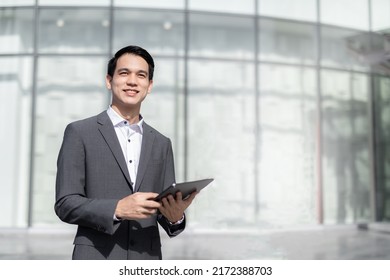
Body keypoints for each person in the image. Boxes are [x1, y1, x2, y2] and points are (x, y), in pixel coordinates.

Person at [55, 45, 196, 260]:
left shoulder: (161, 143)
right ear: (109, 81)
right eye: (124, 73)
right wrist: (117, 208)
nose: (132, 81)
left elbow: (163, 212)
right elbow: (65, 204)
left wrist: (175, 217)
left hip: (146, 260)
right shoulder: (80, 132)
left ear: (149, 86)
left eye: (141, 75)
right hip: (96, 258)